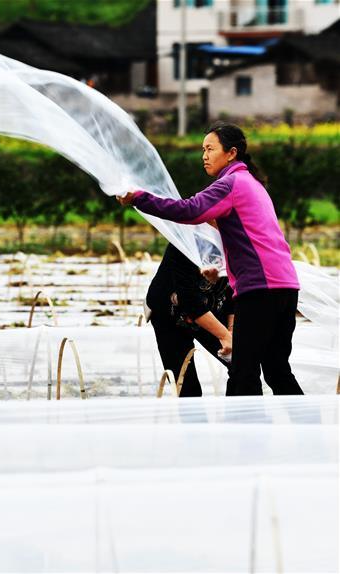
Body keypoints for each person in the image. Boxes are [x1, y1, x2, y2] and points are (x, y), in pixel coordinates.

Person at [119, 122, 302, 396]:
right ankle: (309, 432)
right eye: (202, 149)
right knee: (276, 369)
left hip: (260, 289)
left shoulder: (231, 183)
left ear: (231, 153)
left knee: (243, 371)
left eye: (210, 149)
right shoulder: (254, 185)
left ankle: (241, 436)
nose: (204, 155)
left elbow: (190, 210)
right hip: (286, 287)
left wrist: (140, 199)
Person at [146, 244, 234, 397]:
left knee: (242, 365)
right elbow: (190, 300)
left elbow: (238, 289)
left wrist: (232, 330)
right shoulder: (183, 239)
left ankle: (240, 418)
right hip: (169, 313)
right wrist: (224, 336)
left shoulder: (237, 235)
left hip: (211, 307)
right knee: (186, 386)